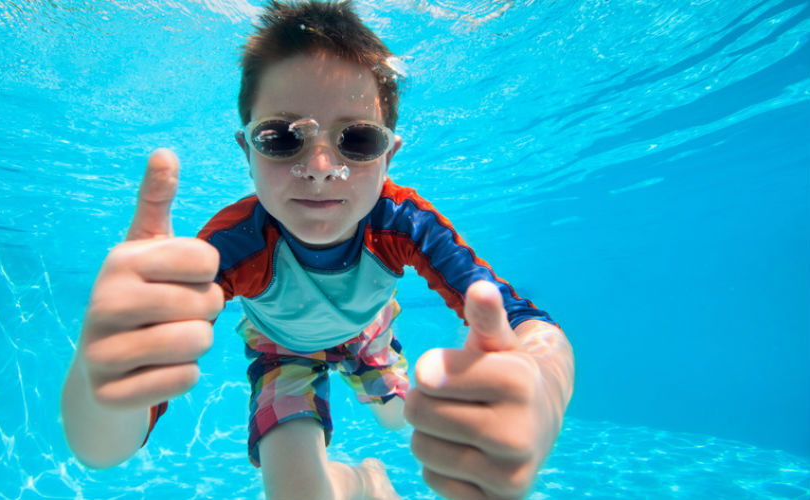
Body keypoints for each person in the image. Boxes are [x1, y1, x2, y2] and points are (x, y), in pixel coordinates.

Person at [60, 1, 575, 499]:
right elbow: (106, 450)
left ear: (388, 155)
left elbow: (522, 319)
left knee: (412, 423)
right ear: (247, 150)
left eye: (358, 140)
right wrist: (100, 380)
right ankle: (362, 484)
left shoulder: (403, 223)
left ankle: (372, 470)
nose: (323, 166)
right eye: (283, 138)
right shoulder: (230, 247)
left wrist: (544, 385)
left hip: (370, 334)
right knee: (295, 494)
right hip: (281, 348)